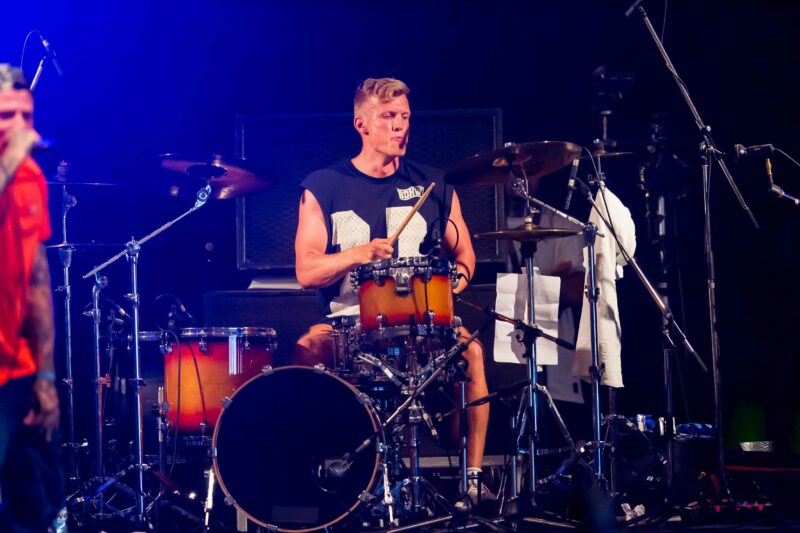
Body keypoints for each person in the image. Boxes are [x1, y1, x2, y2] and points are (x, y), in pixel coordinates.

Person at [293, 77, 491, 504]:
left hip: (422, 322)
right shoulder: (324, 185)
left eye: (404, 117)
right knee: (307, 348)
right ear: (361, 124)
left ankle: (472, 481)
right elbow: (307, 271)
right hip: (350, 324)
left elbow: (465, 256)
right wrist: (358, 254)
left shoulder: (435, 184)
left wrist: (449, 290)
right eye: (388, 117)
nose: (400, 125)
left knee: (472, 352)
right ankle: (320, 477)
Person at [0, 64, 64, 530]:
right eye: (7, 116)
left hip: (17, 370)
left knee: (36, 507)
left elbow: (38, 281)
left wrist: (44, 374)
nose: (22, 127)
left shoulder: (28, 178)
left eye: (27, 116)